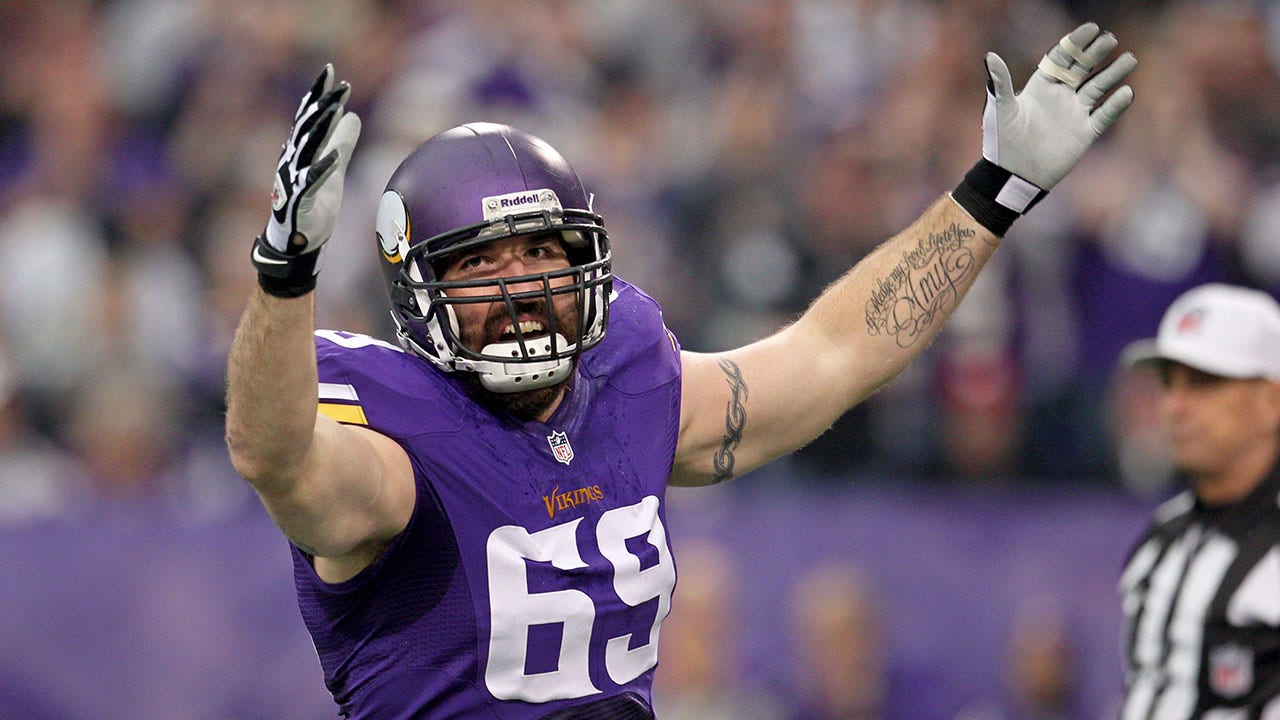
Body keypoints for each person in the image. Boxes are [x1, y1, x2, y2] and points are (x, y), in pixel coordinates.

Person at [224, 22, 1136, 720]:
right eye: (478, 263)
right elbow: (279, 459)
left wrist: (997, 189)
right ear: (416, 289)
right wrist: (284, 273)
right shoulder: (394, 435)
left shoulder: (626, 380)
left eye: (542, 252)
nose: (522, 287)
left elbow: (832, 352)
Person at [1117, 283, 1280, 719]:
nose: (1173, 407)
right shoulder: (1162, 540)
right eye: (1168, 382)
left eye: (1204, 383)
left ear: (1271, 400)